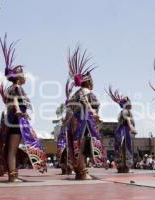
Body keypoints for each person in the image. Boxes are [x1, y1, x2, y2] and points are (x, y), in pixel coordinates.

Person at [0, 34, 47, 182]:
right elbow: (16, 101)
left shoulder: (12, 88)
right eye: (23, 75)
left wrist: (22, 112)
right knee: (12, 149)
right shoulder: (16, 87)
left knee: (12, 149)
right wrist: (19, 111)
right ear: (18, 77)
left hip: (14, 120)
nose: (25, 77)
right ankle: (12, 176)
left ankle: (13, 174)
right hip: (16, 121)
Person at [66, 45, 106, 180]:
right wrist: (93, 113)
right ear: (88, 82)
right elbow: (86, 101)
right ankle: (83, 172)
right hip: (84, 122)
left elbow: (69, 104)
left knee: (77, 146)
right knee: (82, 146)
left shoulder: (76, 93)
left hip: (75, 121)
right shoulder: (86, 92)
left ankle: (79, 171)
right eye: (92, 80)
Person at [106, 86, 136, 173]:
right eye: (130, 103)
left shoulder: (123, 111)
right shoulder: (126, 111)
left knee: (120, 149)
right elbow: (127, 119)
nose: (131, 104)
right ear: (128, 104)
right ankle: (125, 168)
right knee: (125, 148)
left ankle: (121, 167)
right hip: (124, 131)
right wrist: (131, 127)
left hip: (121, 131)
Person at [57, 80, 74, 175]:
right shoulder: (68, 111)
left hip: (67, 132)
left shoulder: (69, 110)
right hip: (66, 132)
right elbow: (66, 121)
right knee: (65, 151)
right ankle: (66, 167)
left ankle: (67, 167)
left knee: (67, 151)